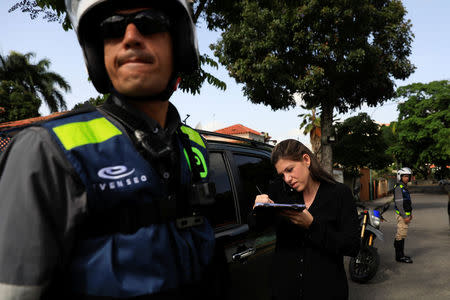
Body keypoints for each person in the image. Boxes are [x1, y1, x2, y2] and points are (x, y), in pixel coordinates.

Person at [0, 0, 221, 299]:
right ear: (98, 54)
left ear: (180, 43)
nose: (130, 37)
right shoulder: (46, 150)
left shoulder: (192, 145)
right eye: (112, 29)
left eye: (150, 22)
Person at [249, 139, 360, 300]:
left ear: (306, 160)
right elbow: (255, 227)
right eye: (282, 174)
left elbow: (352, 246)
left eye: (290, 169)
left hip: (328, 291)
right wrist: (258, 208)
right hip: (284, 291)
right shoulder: (279, 191)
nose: (287, 179)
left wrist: (312, 225)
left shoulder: (339, 194)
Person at [393, 167, 414, 263]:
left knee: (402, 235)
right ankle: (399, 256)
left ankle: (401, 254)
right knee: (400, 235)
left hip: (405, 215)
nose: (407, 178)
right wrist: (405, 216)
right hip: (402, 216)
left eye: (408, 177)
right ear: (400, 177)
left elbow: (407, 203)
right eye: (405, 176)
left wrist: (410, 214)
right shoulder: (399, 188)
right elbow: (399, 204)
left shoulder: (404, 187)